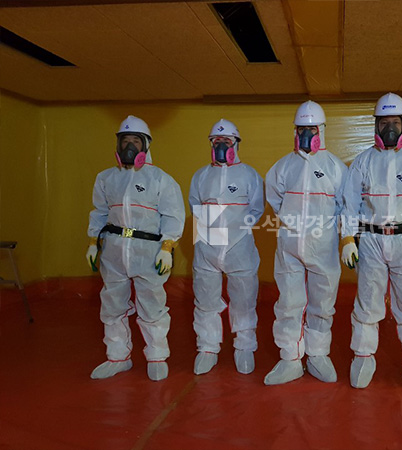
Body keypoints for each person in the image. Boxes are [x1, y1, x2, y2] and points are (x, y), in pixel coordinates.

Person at [341, 93, 402, 392]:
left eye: (395, 122)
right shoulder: (363, 161)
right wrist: (348, 239)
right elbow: (349, 203)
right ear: (376, 125)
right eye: (384, 123)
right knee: (368, 301)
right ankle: (363, 356)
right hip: (370, 239)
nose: (390, 129)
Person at [86, 115, 185, 381]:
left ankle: (157, 356)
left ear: (146, 145)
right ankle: (117, 357)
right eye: (125, 141)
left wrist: (167, 247)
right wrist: (93, 242)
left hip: (148, 251)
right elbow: (99, 212)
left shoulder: (160, 179)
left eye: (135, 141)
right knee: (112, 305)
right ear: (118, 145)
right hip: (114, 251)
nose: (129, 146)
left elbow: (174, 216)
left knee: (152, 305)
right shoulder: (106, 178)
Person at [264, 100, 347, 385]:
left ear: (322, 130)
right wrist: (293, 222)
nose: (306, 135)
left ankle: (318, 355)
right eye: (301, 129)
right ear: (295, 131)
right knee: (289, 301)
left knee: (323, 301)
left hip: (323, 246)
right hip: (289, 245)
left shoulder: (336, 168)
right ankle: (290, 358)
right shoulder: (283, 167)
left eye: (312, 129)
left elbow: (344, 206)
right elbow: (275, 198)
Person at [189, 119, 264, 375]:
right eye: (216, 142)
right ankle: (207, 347)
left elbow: (256, 209)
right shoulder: (201, 176)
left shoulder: (250, 175)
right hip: (207, 246)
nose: (221, 146)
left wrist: (237, 229)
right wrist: (210, 231)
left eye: (226, 141)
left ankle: (245, 346)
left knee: (244, 299)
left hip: (239, 246)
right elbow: (195, 206)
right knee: (205, 298)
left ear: (236, 144)